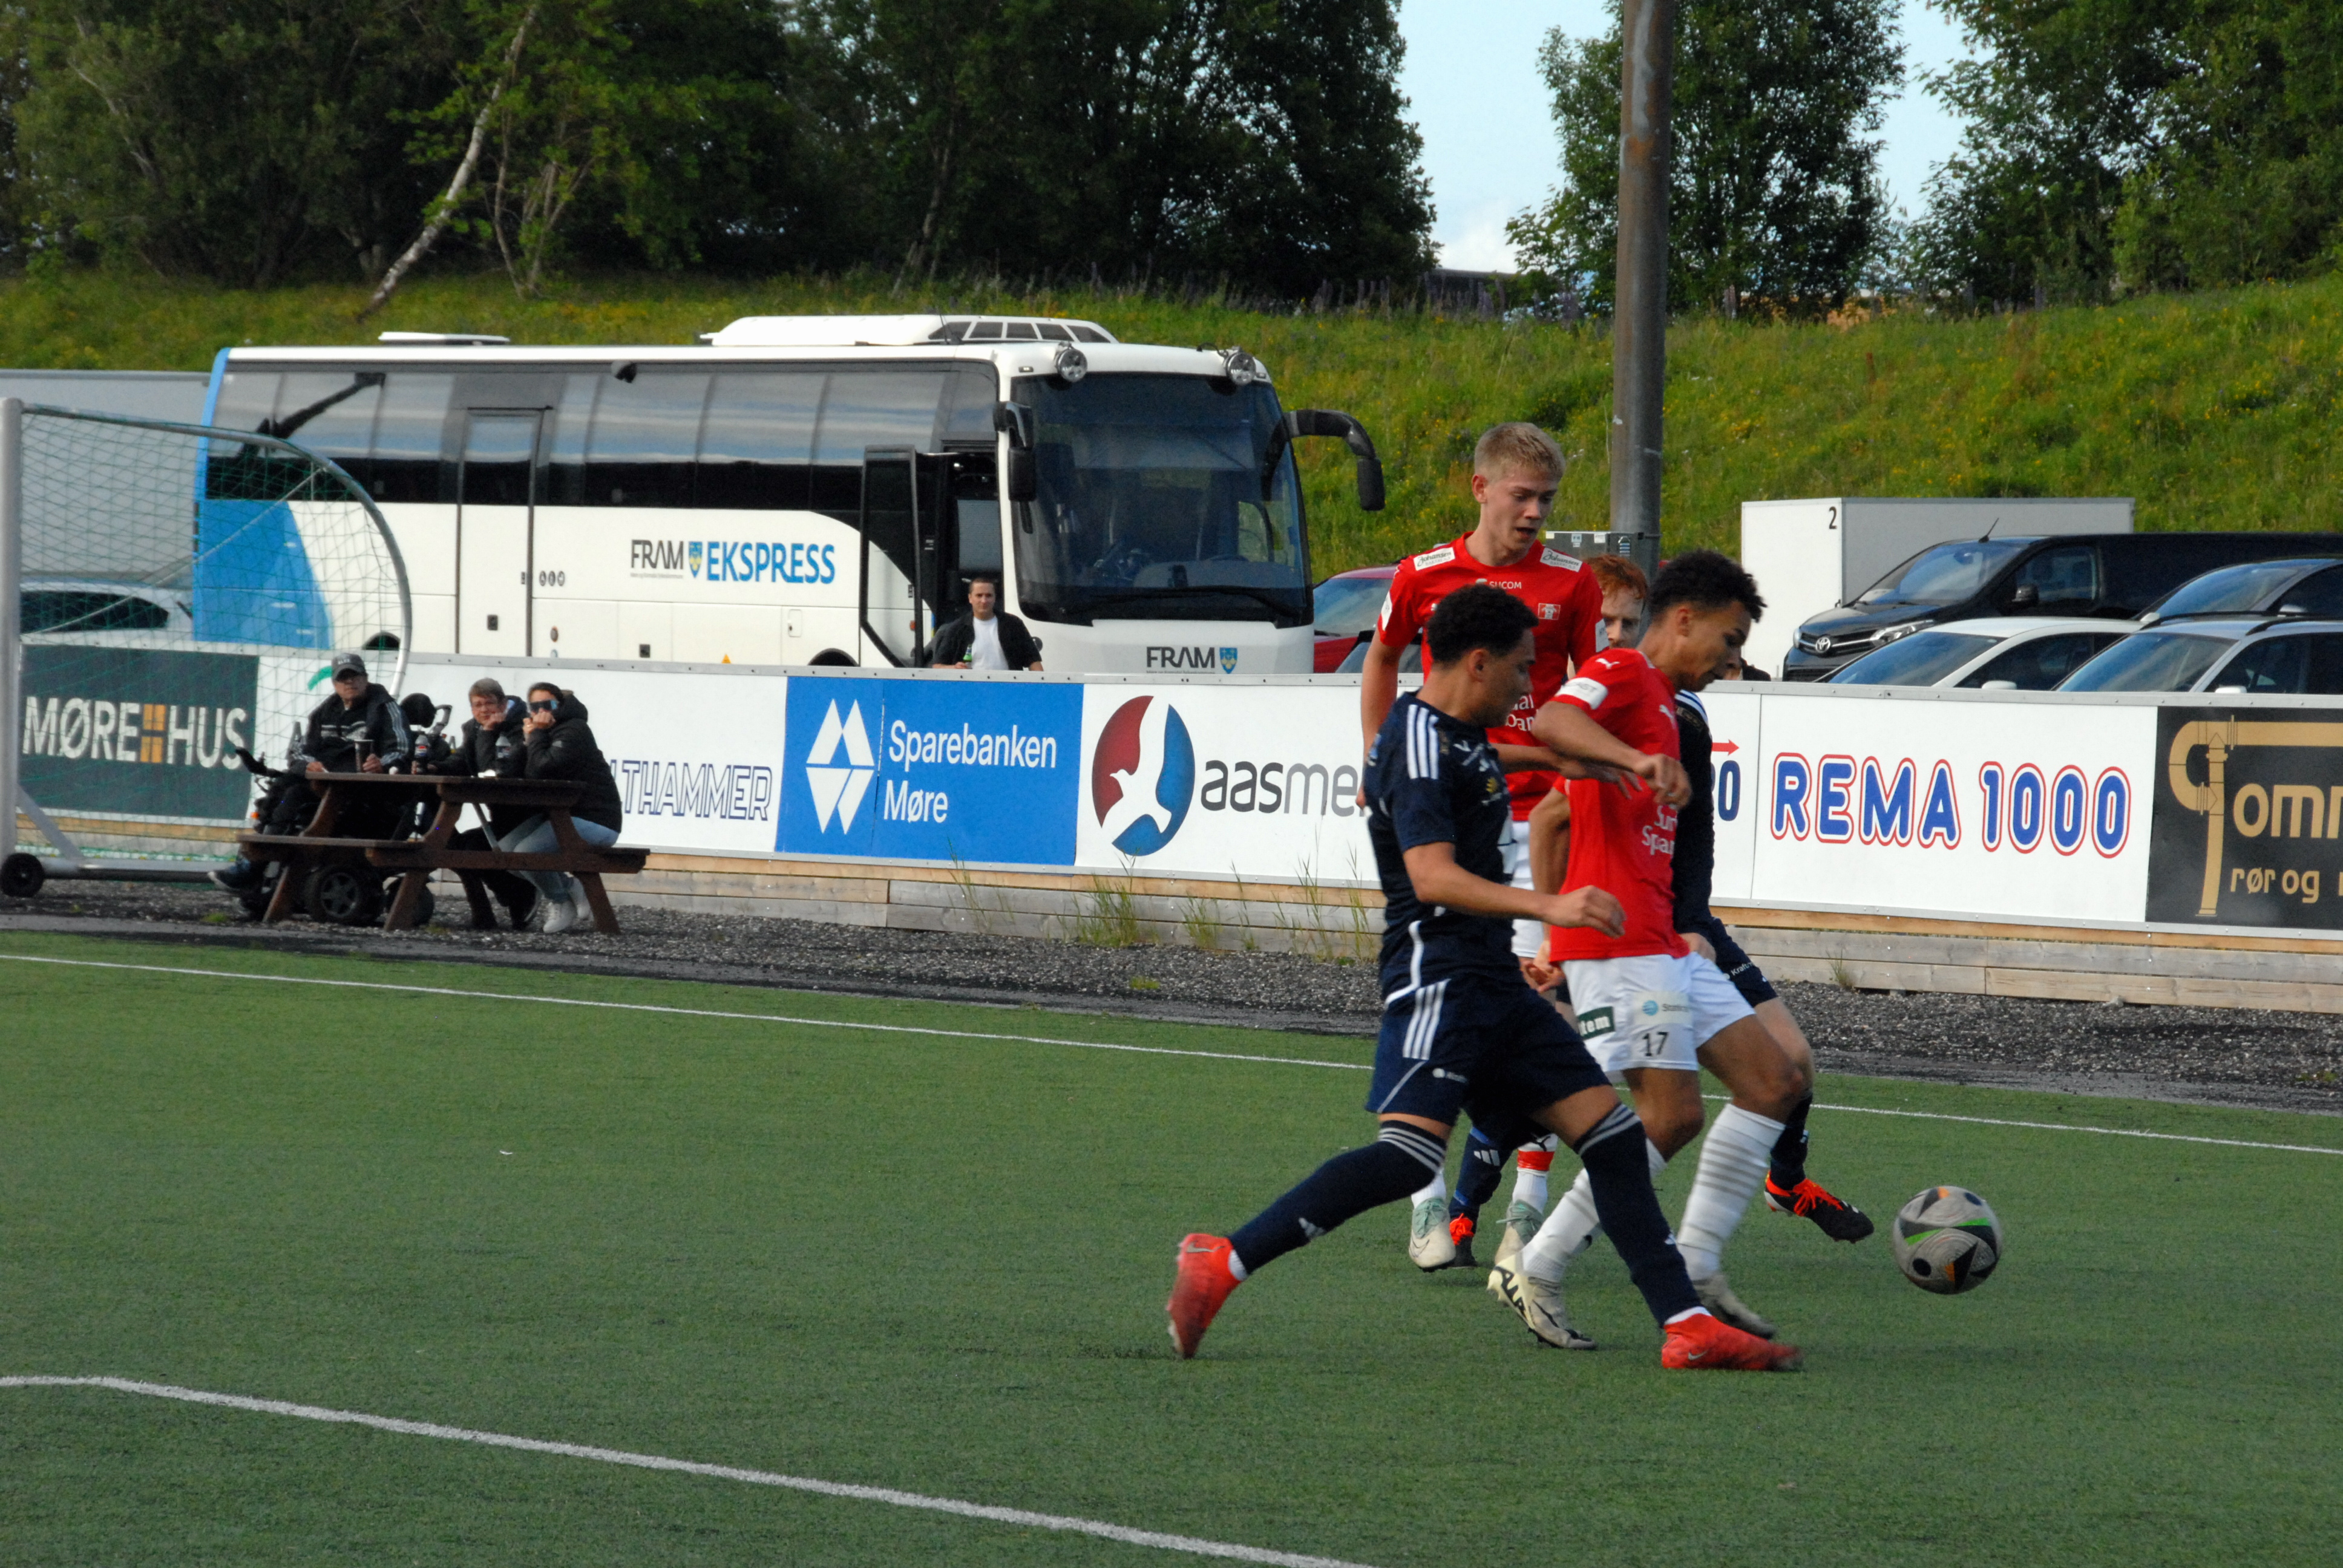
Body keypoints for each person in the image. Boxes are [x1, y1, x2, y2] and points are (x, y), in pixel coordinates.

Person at [1166, 584, 1800, 1373]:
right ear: (1477, 662)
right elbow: (1431, 877)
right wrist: (1551, 905)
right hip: (1439, 979)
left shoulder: (1448, 731)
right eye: (1521, 669)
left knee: (1612, 1137)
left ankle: (1685, 1324)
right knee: (1407, 1157)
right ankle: (1222, 1260)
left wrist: (1564, 758)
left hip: (1492, 981)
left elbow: (1483, 759)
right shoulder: (1417, 744)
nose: (1529, 686)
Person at [1490, 551, 1814, 1350]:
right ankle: (1541, 1263)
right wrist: (1635, 763)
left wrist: (1552, 932)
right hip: (1618, 944)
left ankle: (1697, 1261)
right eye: (1728, 641)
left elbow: (1554, 816)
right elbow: (1552, 720)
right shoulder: (1624, 671)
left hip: (1658, 939)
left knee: (1775, 1080)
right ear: (1684, 619)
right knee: (1668, 1117)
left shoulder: (1664, 705)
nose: (1731, 661)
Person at [1357, 423, 1607, 1272]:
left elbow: (1588, 692)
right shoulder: (1424, 574)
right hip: (1450, 813)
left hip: (1538, 819)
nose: (1535, 513)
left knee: (1546, 1016)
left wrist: (1578, 780)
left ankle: (1524, 1213)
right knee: (1441, 1012)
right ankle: (1427, 1201)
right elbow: (1381, 660)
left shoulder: (1571, 583)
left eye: (1547, 499)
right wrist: (1378, 758)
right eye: (1521, 496)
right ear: (1480, 489)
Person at [1670, 679, 1870, 1241]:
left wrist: (1691, 918)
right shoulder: (1595, 708)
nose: (1728, 663)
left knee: (1793, 1060)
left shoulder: (1688, 716)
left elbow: (1697, 832)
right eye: (1726, 645)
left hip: (1685, 924)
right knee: (1578, 1091)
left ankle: (1787, 1183)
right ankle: (1467, 1206)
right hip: (1613, 924)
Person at [209, 652, 411, 893]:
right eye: (343, 678)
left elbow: (402, 750)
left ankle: (255, 866)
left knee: (292, 796)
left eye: (355, 676)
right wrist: (309, 766)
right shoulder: (324, 711)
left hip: (364, 793)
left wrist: (382, 764)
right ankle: (254, 863)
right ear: (334, 683)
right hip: (324, 786)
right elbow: (300, 752)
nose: (349, 682)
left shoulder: (385, 707)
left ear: (365, 678)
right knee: (281, 790)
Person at [415, 678, 540, 929]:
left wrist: (488, 733)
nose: (484, 710)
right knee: (455, 843)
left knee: (471, 847)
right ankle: (505, 898)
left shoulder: (522, 728)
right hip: (499, 815)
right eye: (477, 705)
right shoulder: (473, 729)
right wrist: (434, 767)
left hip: (529, 815)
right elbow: (463, 760)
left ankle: (520, 893)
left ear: (503, 704)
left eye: (489, 704)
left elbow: (490, 770)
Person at [504, 682, 624, 935]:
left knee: (527, 853)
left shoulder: (575, 729)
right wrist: (526, 741)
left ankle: (559, 899)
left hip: (596, 819)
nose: (542, 712)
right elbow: (513, 771)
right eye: (535, 707)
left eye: (548, 705)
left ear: (560, 705)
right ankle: (569, 887)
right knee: (506, 851)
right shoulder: (542, 733)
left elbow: (541, 770)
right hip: (561, 816)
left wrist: (537, 735)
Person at [925, 575, 1043, 670]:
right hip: (971, 689)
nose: (984, 601)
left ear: (995, 598)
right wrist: (954, 668)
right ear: (970, 598)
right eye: (979, 596)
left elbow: (1034, 662)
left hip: (1008, 689)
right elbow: (937, 666)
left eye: (989, 596)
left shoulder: (1014, 624)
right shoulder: (956, 629)